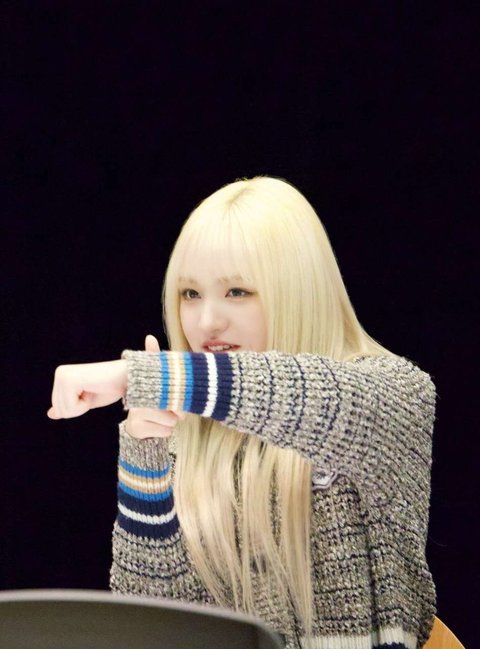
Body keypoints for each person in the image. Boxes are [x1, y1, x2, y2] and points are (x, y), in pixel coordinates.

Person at [48, 176, 436, 649]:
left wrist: (142, 375)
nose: (207, 321)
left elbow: (316, 396)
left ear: (298, 290)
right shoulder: (184, 430)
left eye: (237, 291)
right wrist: (144, 454)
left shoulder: (396, 392)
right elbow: (153, 629)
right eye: (190, 294)